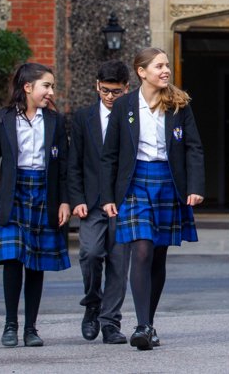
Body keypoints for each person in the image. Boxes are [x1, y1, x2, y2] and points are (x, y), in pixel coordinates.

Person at [101, 48, 205, 350]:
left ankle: (149, 321)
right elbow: (109, 155)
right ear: (141, 71)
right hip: (134, 184)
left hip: (168, 182)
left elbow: (194, 148)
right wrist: (108, 196)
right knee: (142, 251)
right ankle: (143, 326)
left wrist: (194, 186)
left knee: (158, 254)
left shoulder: (179, 104)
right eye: (159, 66)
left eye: (167, 66)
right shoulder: (123, 107)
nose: (166, 71)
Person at [0, 62, 71, 347]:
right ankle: (10, 325)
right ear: (27, 87)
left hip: (45, 194)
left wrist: (65, 200)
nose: (51, 91)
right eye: (46, 85)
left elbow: (64, 166)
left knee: (36, 264)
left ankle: (31, 328)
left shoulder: (56, 121)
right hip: (13, 195)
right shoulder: (1, 119)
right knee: (13, 260)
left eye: (52, 86)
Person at [68, 60, 131, 344]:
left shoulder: (133, 116)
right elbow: (74, 162)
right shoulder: (83, 117)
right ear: (96, 86)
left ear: (126, 89)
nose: (108, 97)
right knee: (90, 254)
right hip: (92, 202)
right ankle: (92, 304)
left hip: (123, 201)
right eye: (104, 90)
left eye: (115, 92)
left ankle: (110, 323)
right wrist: (76, 199)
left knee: (118, 263)